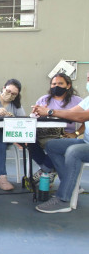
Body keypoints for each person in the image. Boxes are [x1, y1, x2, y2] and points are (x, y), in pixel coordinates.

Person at [32, 76, 89, 213]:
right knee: (53, 145)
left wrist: (51, 111)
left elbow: (82, 117)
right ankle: (70, 185)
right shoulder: (87, 100)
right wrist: (43, 112)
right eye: (87, 79)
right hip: (87, 141)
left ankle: (63, 199)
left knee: (73, 151)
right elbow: (70, 113)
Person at [29, 73, 82, 185]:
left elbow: (86, 120)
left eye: (60, 83)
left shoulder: (77, 101)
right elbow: (33, 118)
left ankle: (45, 170)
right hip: (43, 133)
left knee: (54, 145)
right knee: (29, 141)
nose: (56, 86)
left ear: (68, 85)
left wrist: (76, 133)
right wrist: (36, 113)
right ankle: (50, 169)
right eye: (53, 84)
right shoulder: (43, 100)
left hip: (65, 135)